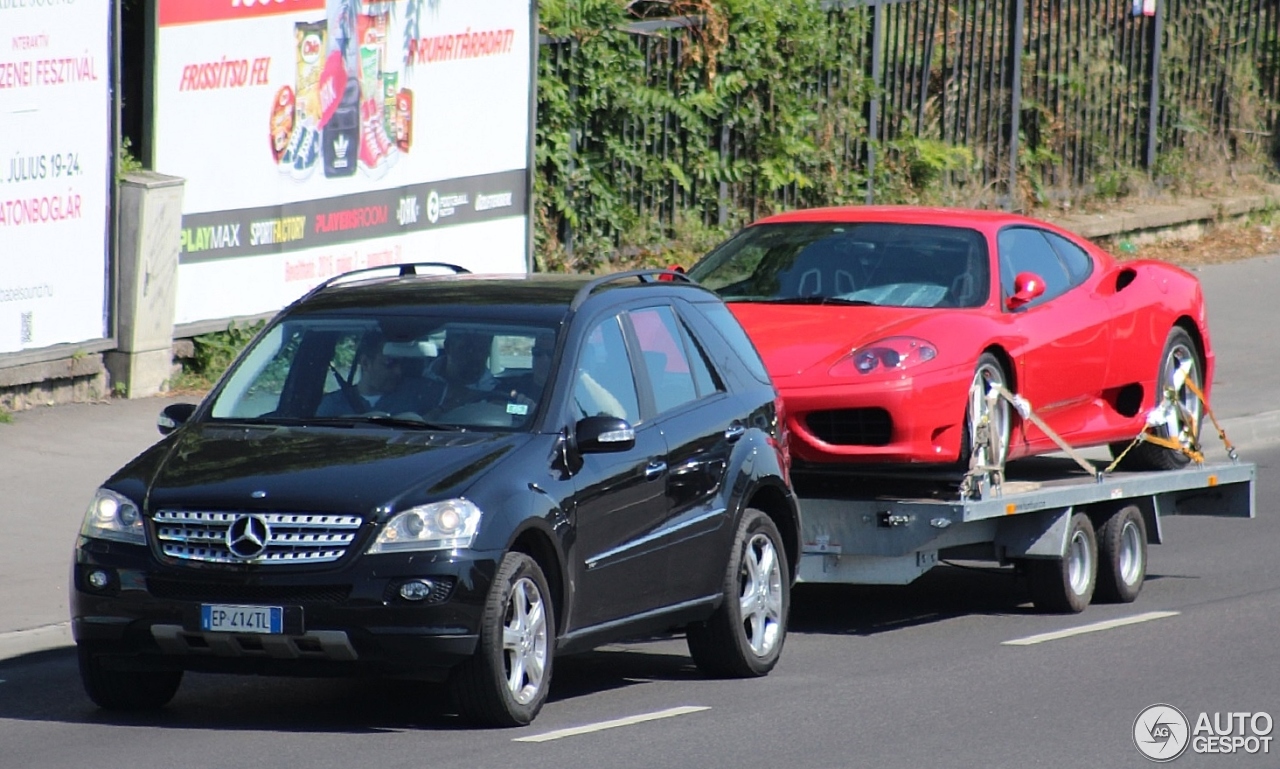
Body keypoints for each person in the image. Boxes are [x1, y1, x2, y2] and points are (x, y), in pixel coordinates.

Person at [316, 334, 427, 416]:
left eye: (401, 364)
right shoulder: (333, 405)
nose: (398, 371)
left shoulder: (418, 397)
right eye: (390, 363)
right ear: (365, 363)